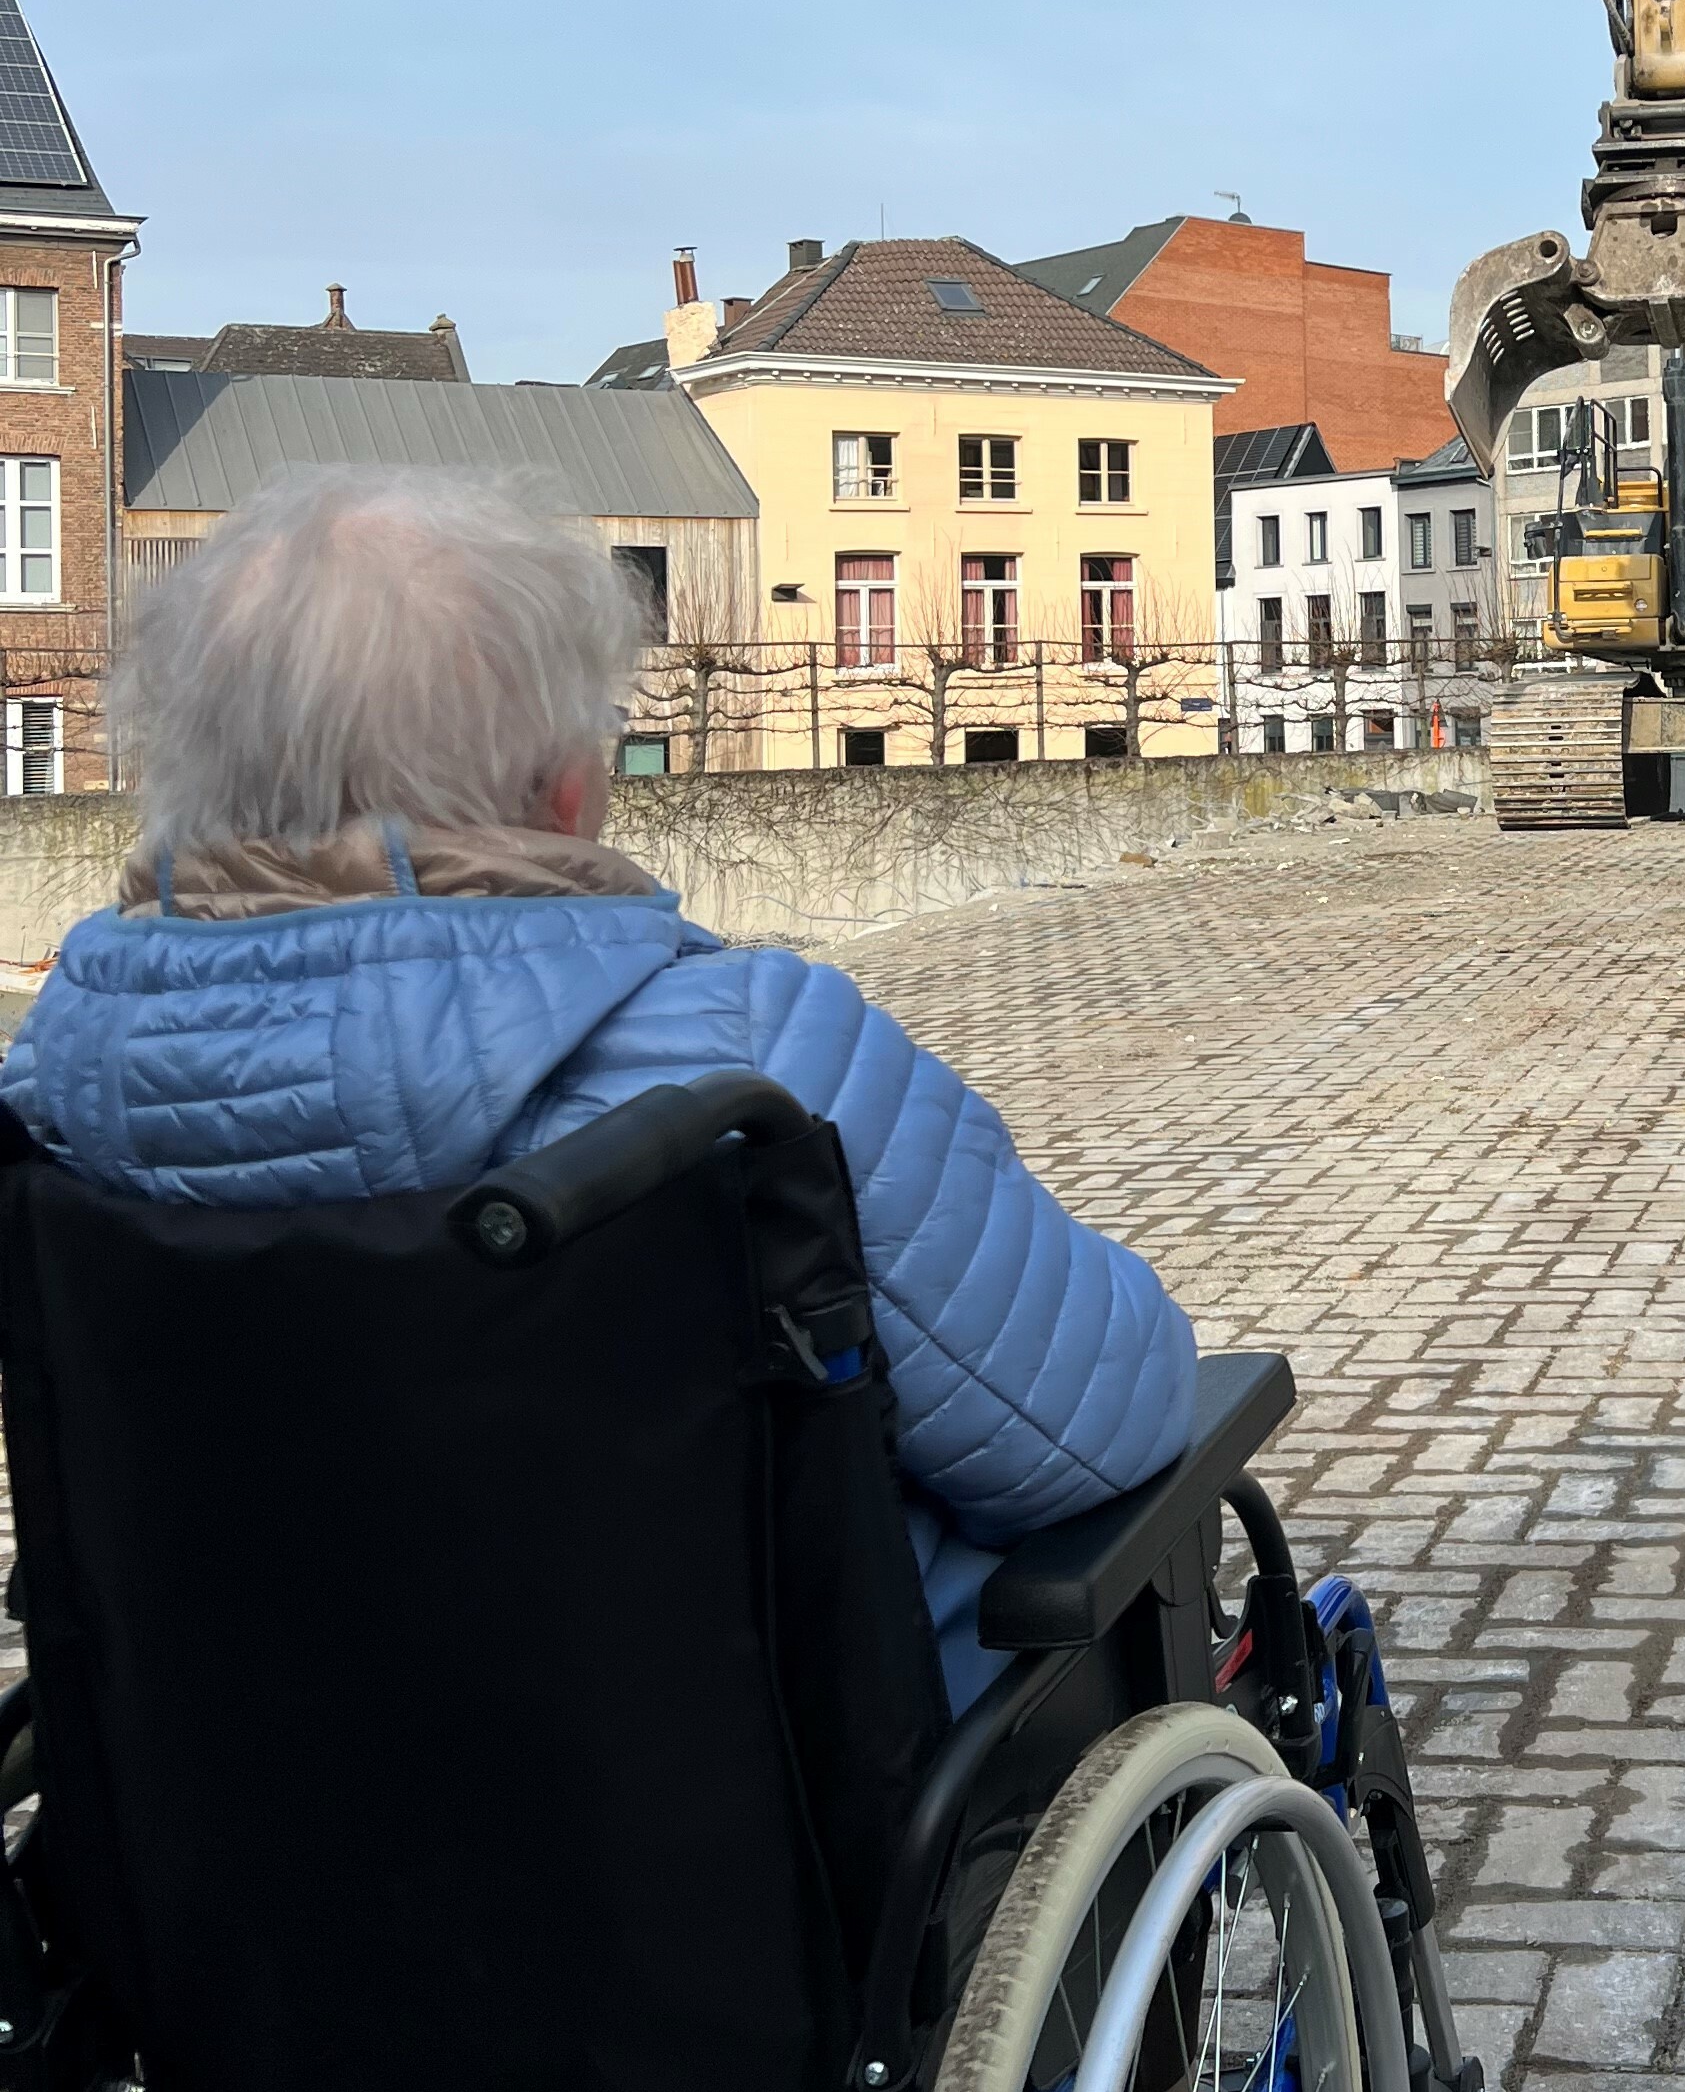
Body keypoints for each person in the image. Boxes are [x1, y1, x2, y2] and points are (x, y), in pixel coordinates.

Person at [2, 468, 1198, 1713]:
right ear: (563, 786)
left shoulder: (50, 1094)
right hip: (746, 1783)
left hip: (228, 1784)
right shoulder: (744, 1067)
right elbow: (1090, 1428)